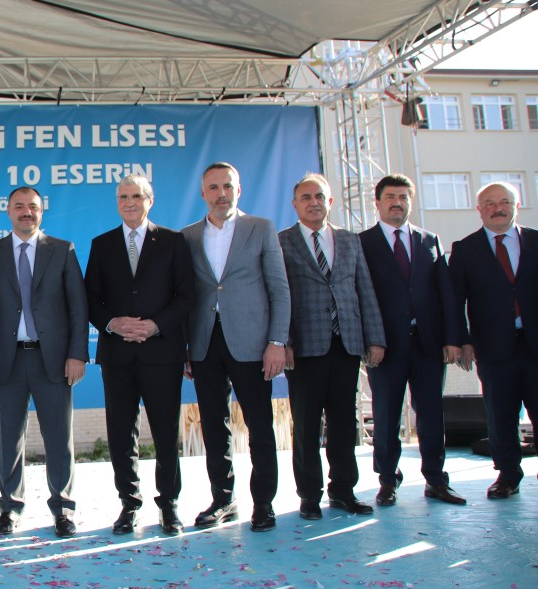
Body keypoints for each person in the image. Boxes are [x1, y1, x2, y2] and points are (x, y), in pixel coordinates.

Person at [182, 163, 290, 532]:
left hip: (253, 345)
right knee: (214, 427)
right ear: (203, 194)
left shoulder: (260, 228)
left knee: (260, 426)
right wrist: (184, 347)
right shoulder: (188, 236)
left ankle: (264, 503)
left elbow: (279, 289)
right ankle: (223, 500)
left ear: (238, 190)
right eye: (213, 188)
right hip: (204, 345)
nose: (221, 194)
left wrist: (277, 342)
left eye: (227, 186)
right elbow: (184, 295)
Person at [85, 174, 195, 536]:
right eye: (123, 197)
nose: (129, 202)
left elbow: (186, 296)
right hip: (117, 355)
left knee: (165, 432)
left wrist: (155, 325)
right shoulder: (102, 244)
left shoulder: (174, 241)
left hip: (161, 353)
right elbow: (90, 299)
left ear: (150, 200)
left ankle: (169, 505)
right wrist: (112, 323)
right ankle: (129, 504)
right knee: (121, 434)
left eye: (136, 196)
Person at [0, 187, 88, 537]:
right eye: (19, 206)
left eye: (33, 207)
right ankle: (10, 508)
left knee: (59, 438)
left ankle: (63, 509)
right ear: (8, 210)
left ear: (42, 211)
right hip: (6, 360)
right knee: (8, 439)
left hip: (52, 359)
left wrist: (77, 354)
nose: (27, 212)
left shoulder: (62, 250)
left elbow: (78, 306)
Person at [279, 173, 385, 520]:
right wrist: (283, 341)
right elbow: (278, 295)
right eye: (306, 197)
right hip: (304, 347)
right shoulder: (282, 242)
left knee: (343, 423)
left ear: (330, 202)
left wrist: (374, 338)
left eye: (319, 197)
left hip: (346, 343)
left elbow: (364, 288)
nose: (313, 203)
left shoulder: (350, 240)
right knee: (306, 425)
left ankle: (343, 490)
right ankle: (309, 496)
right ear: (295, 204)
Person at [360, 175, 465, 506]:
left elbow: (445, 293)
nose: (397, 203)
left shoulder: (429, 240)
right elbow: (361, 296)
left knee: (432, 415)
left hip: (428, 344)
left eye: (403, 197)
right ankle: (387, 481)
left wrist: (452, 338)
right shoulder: (363, 242)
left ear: (410, 201)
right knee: (386, 416)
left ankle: (436, 479)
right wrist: (370, 340)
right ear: (377, 203)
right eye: (390, 197)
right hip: (385, 346)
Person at [449, 181, 537, 499]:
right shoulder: (465, 249)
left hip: (536, 344)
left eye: (504, 202)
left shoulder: (535, 241)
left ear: (516, 205)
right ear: (479, 209)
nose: (497, 208)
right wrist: (462, 340)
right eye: (490, 203)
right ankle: (508, 475)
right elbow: (455, 300)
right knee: (500, 415)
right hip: (493, 347)